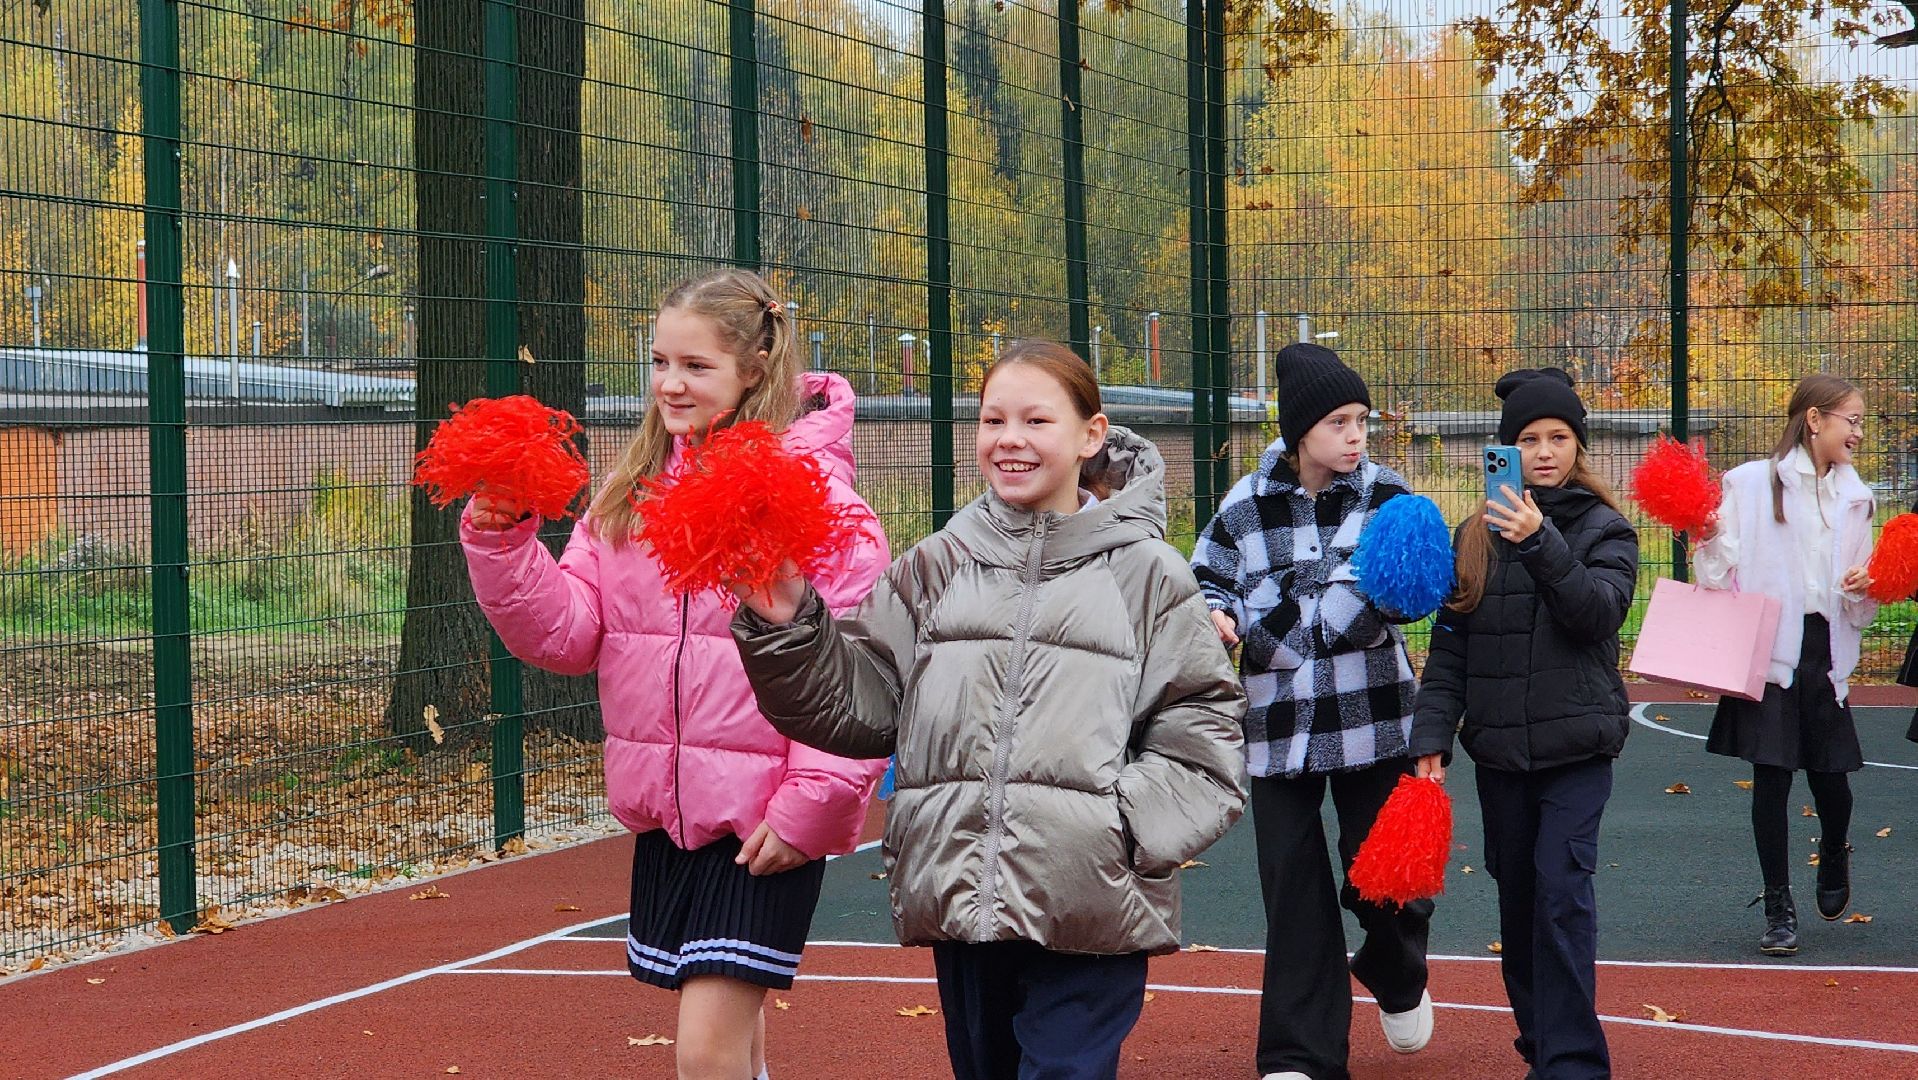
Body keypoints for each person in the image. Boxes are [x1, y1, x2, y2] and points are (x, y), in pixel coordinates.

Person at [729, 340, 1247, 1080]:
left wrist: (1119, 830)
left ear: (1089, 437)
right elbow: (862, 703)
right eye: (993, 420)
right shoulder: (937, 564)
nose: (1010, 438)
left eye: (1036, 420)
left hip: (1093, 901)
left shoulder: (1148, 574)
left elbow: (1202, 735)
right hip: (964, 892)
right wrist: (788, 626)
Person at [461, 268, 890, 1080]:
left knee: (706, 1050)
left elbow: (858, 672)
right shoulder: (633, 495)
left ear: (755, 369)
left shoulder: (817, 501)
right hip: (671, 810)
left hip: (766, 815)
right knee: (733, 1045)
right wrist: (504, 538)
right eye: (660, 362)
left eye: (696, 366)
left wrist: (814, 804)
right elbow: (568, 633)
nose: (670, 383)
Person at [1189, 342, 1432, 1080]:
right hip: (1277, 731)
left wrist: (1404, 592)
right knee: (1294, 898)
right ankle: (1300, 1055)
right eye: (1338, 421)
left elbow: (1418, 591)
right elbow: (1207, 579)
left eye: (1362, 420)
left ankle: (1396, 973)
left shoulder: (1390, 499)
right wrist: (1214, 616)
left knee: (1386, 887)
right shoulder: (1243, 507)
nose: (1356, 436)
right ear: (1300, 432)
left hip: (1376, 724)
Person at [1410, 367, 1637, 1080]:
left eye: (1559, 437)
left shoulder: (1608, 528)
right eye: (1528, 439)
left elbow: (1596, 612)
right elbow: (1449, 650)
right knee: (1519, 908)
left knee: (1560, 896)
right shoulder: (1473, 536)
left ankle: (1574, 1065)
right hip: (1503, 755)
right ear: (1506, 450)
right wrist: (1431, 738)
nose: (1544, 452)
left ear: (1578, 446)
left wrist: (1541, 541)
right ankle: (1542, 1046)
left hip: (1578, 751)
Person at [1693, 373, 1877, 954]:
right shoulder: (1748, 484)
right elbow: (1716, 573)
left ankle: (1835, 850)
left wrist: (1861, 585)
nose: (1858, 432)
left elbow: (1863, 603)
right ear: (1815, 419)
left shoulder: (1858, 496)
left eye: (1862, 422)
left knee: (1832, 780)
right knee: (1771, 779)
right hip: (1770, 648)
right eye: (1851, 419)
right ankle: (1778, 905)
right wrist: (1709, 538)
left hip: (1825, 650)